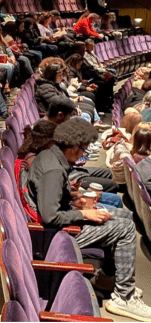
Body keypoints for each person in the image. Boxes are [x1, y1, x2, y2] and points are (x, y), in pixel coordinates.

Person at [28, 118, 151, 321]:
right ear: (74, 147)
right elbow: (50, 216)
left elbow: (51, 199)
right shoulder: (54, 171)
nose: (83, 154)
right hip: (56, 238)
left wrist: (72, 197)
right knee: (125, 228)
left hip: (61, 226)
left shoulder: (52, 156)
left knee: (125, 216)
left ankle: (108, 278)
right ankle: (124, 296)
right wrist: (85, 213)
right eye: (84, 150)